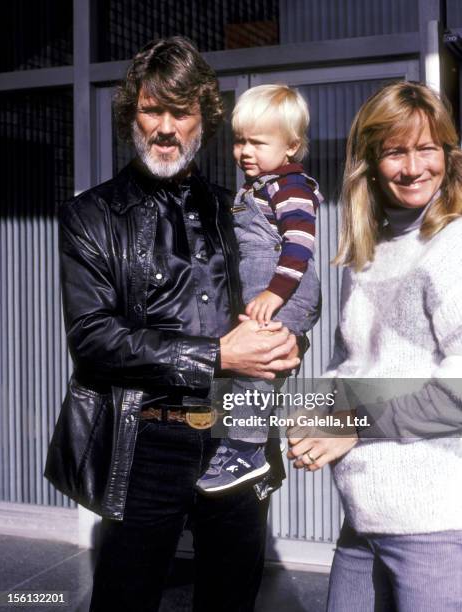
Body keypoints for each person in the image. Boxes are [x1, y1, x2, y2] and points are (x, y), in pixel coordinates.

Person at [44, 36, 306, 612]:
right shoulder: (91, 215)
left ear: (203, 122)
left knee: (231, 596)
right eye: (150, 109)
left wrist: (289, 341)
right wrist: (217, 357)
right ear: (129, 115)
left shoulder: (234, 210)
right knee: (124, 598)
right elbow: (93, 339)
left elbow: (271, 297)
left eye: (180, 112)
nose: (165, 127)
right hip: (144, 441)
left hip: (234, 432)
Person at [287, 81, 462, 611]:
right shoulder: (370, 250)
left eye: (427, 148)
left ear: (449, 156)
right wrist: (314, 409)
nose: (413, 168)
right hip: (364, 516)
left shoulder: (452, 247)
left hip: (432, 522)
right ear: (370, 161)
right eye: (395, 151)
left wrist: (349, 425)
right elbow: (357, 363)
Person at [197, 84, 321, 494]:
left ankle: (246, 453)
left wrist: (275, 292)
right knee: (251, 377)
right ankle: (260, 456)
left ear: (291, 146)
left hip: (283, 288)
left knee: (256, 374)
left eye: (257, 142)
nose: (244, 151)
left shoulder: (290, 187)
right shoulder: (255, 188)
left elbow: (300, 245)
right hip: (264, 291)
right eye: (239, 141)